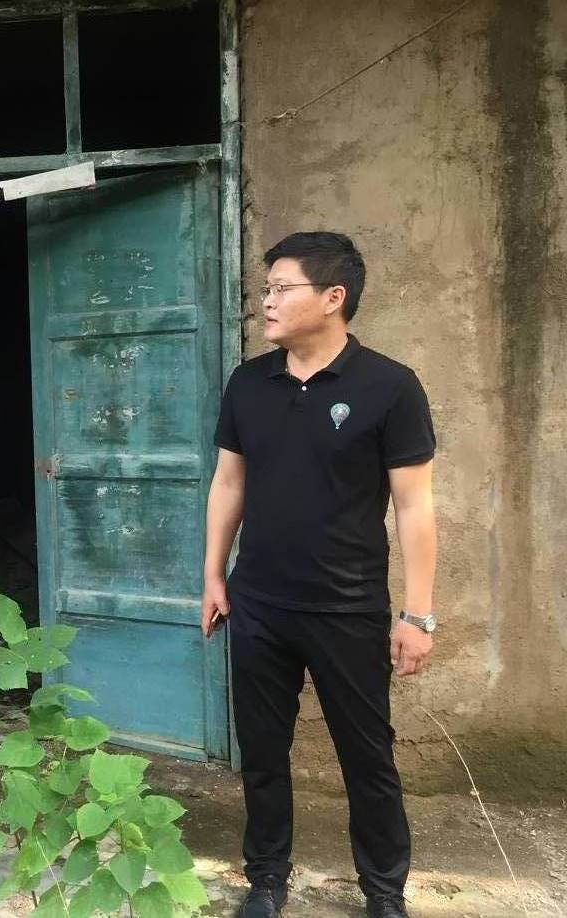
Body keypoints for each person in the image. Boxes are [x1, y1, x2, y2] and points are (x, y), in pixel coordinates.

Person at [202, 233, 437, 918]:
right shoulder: (250, 382)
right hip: (260, 604)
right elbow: (229, 482)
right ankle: (266, 878)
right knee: (262, 752)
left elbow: (415, 506)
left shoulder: (390, 386)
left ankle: (384, 890)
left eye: (282, 288)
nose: (266, 301)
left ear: (334, 297)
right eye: (266, 288)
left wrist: (417, 615)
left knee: (368, 757)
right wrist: (214, 575)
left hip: (348, 607)